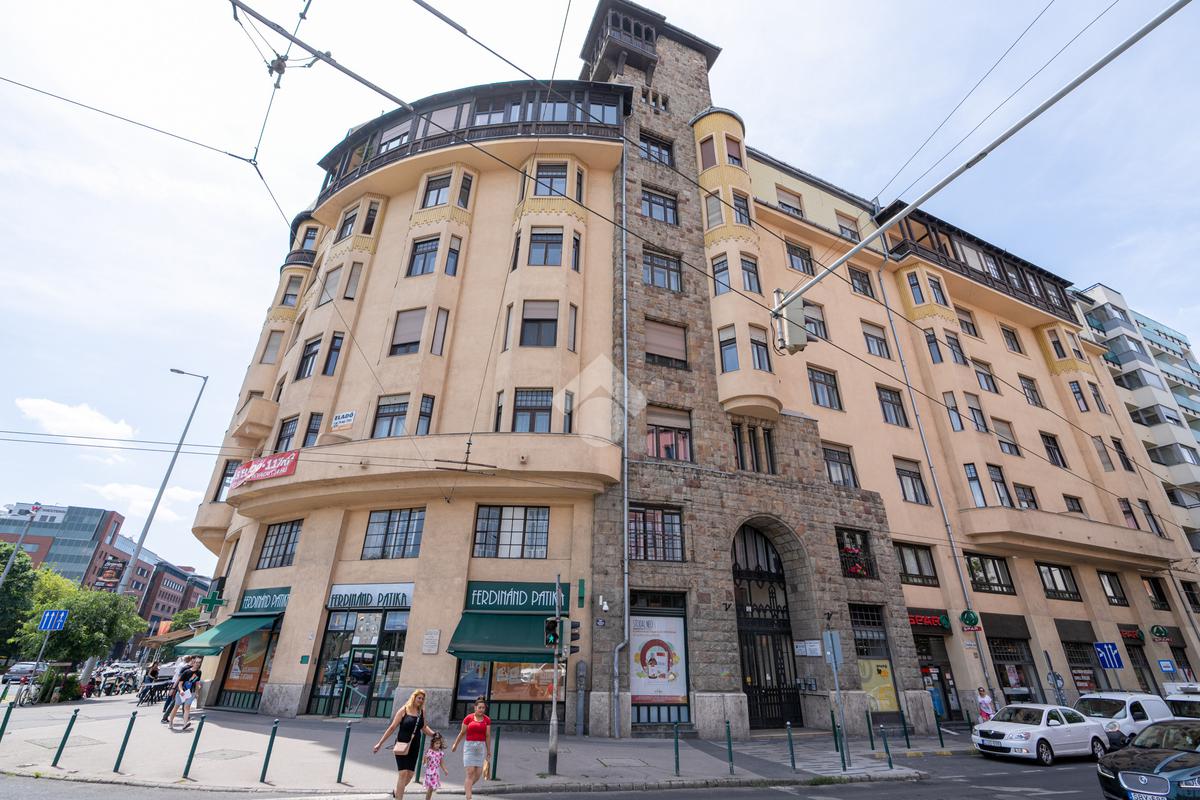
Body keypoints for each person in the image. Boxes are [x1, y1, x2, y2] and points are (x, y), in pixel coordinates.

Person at [374, 689, 436, 799]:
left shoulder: (421, 711)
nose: (421, 700)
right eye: (419, 698)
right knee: (403, 773)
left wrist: (435, 734)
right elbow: (392, 727)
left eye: (423, 699)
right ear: (414, 698)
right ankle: (399, 797)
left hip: (414, 746)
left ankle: (397, 791)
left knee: (410, 775)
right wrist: (380, 743)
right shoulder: (404, 710)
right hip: (402, 745)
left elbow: (424, 727)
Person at [451, 696, 492, 800]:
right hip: (469, 747)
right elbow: (462, 732)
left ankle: (467, 786)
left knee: (478, 774)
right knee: (470, 772)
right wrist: (455, 744)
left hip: (480, 747)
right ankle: (469, 797)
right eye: (480, 707)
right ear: (475, 707)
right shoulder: (468, 718)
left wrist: (489, 750)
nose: (481, 710)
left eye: (483, 708)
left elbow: (488, 736)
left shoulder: (487, 720)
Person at [168, 656, 203, 732]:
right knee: (176, 706)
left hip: (191, 692)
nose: (198, 664)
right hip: (183, 692)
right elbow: (180, 683)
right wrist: (181, 690)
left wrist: (197, 692)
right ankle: (170, 722)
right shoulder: (186, 672)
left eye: (199, 663)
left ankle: (185, 724)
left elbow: (197, 682)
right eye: (196, 662)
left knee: (187, 707)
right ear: (193, 663)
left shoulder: (199, 672)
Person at [422, 731, 449, 800]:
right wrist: (425, 759)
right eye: (436, 743)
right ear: (433, 743)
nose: (438, 745)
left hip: (436, 772)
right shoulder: (429, 751)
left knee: (431, 789)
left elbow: (441, 762)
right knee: (430, 788)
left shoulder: (440, 753)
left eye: (439, 743)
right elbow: (424, 763)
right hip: (430, 772)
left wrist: (445, 770)